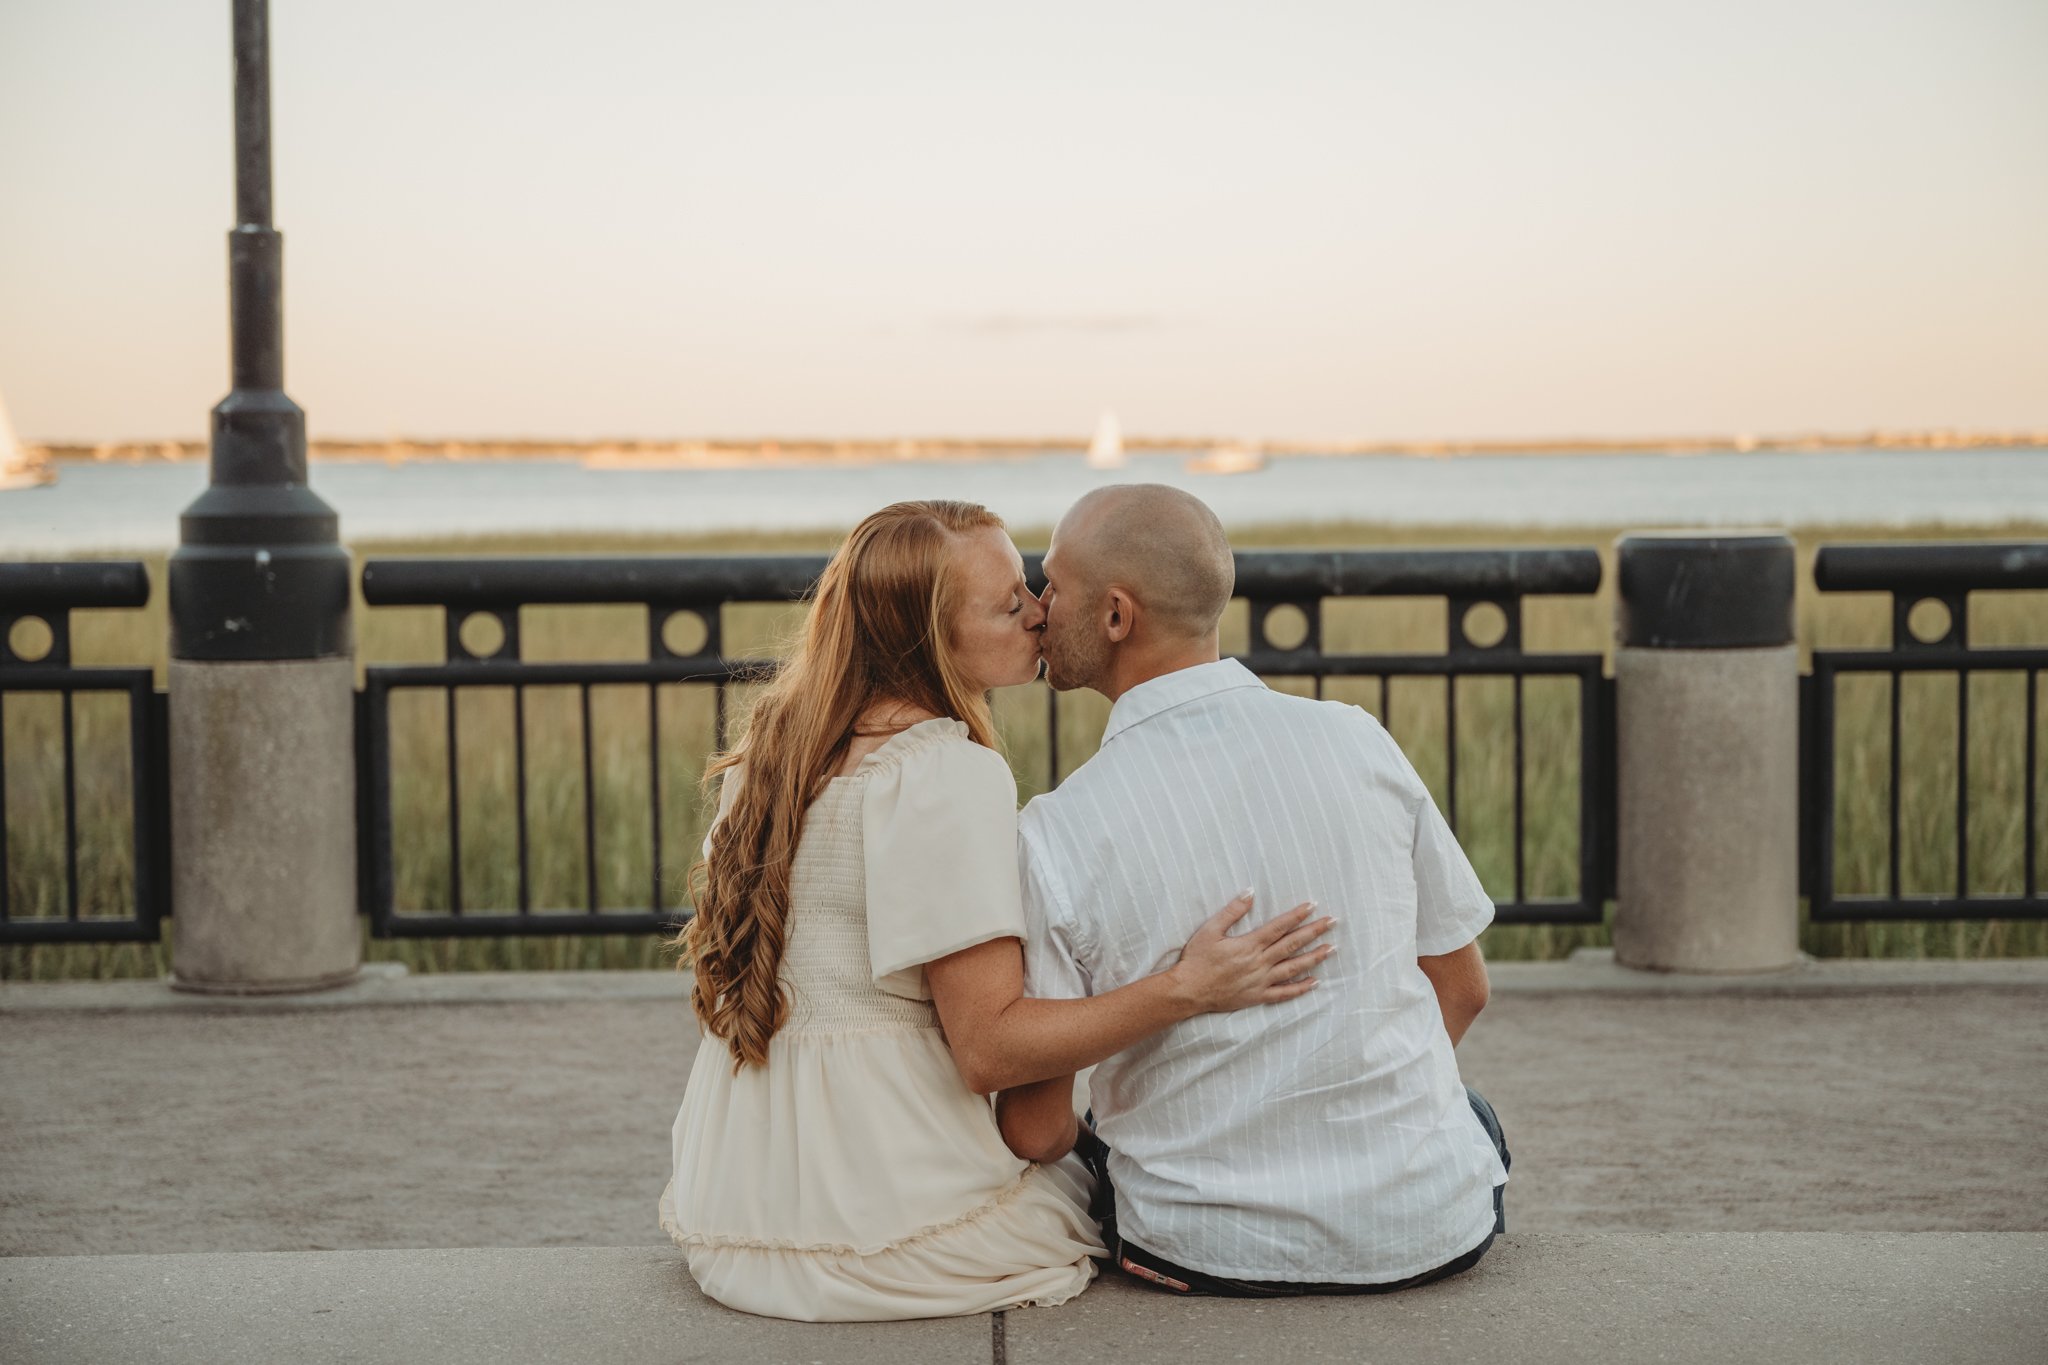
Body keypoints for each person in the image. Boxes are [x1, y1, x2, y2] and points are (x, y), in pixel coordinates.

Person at [657, 498, 1333, 1322]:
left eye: (1032, 587)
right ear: (926, 640)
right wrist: (1184, 987)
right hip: (889, 1210)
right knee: (1096, 1186)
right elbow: (989, 1047)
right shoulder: (942, 773)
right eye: (1010, 603)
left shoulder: (770, 756)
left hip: (745, 1199)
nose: (1040, 612)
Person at [996, 483, 1511, 1297]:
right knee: (1470, 1113)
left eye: (1051, 584)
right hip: (1432, 1225)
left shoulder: (1056, 831)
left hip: (1202, 1243)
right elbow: (1464, 988)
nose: (1035, 606)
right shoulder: (1359, 740)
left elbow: (1033, 1126)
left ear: (1117, 616)